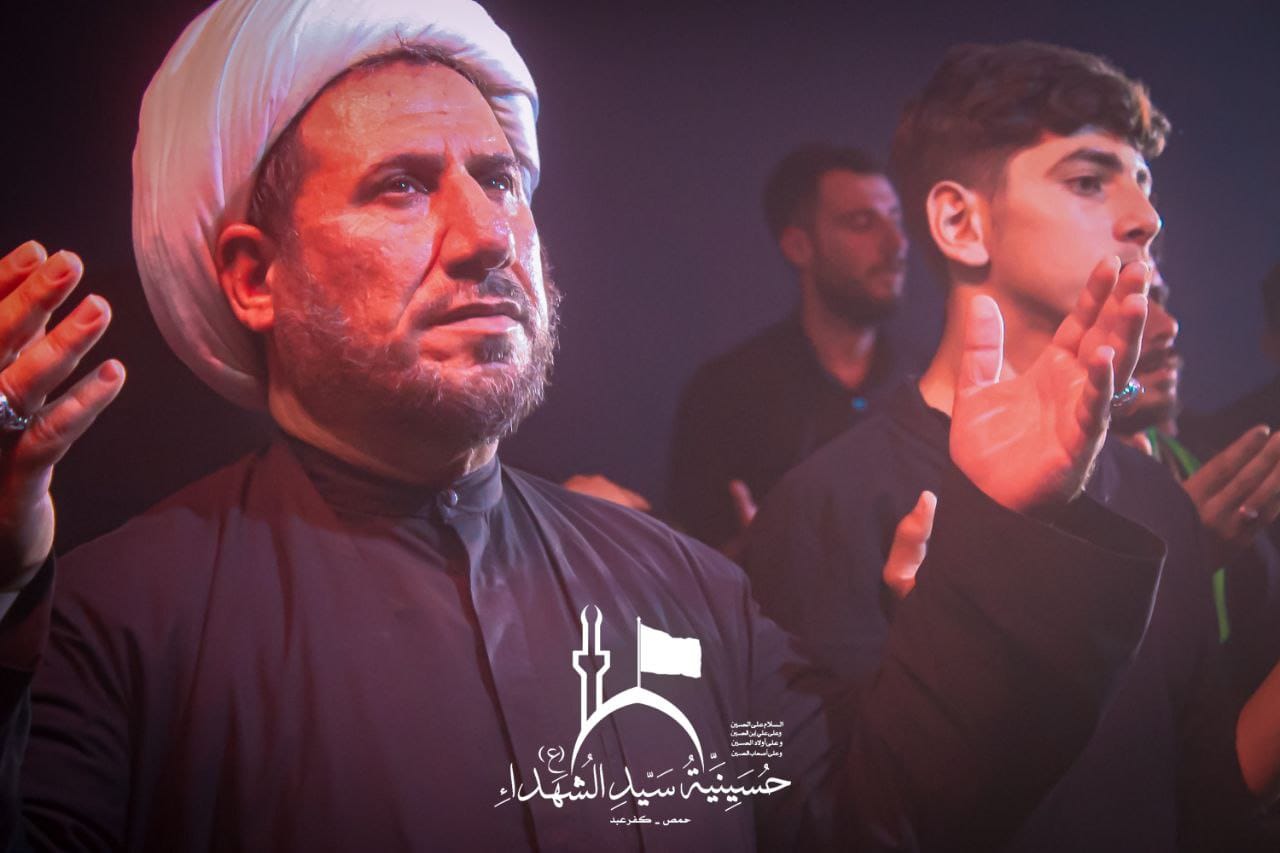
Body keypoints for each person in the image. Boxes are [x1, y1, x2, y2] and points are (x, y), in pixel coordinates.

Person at [0, 6, 1161, 849]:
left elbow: (868, 817)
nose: (485, 235)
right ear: (255, 277)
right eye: (401, 185)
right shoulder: (115, 625)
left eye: (501, 179)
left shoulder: (683, 589)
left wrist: (1008, 530)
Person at [744, 41, 1276, 851]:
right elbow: (819, 823)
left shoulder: (1156, 500)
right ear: (961, 223)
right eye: (1089, 179)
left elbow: (1197, 804)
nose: (1145, 216)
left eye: (1145, 182)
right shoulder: (827, 507)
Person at [667, 146, 923, 550]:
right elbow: (685, 557)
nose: (897, 245)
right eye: (862, 223)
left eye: (895, 220)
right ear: (799, 246)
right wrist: (743, 560)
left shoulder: (927, 382)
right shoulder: (726, 394)